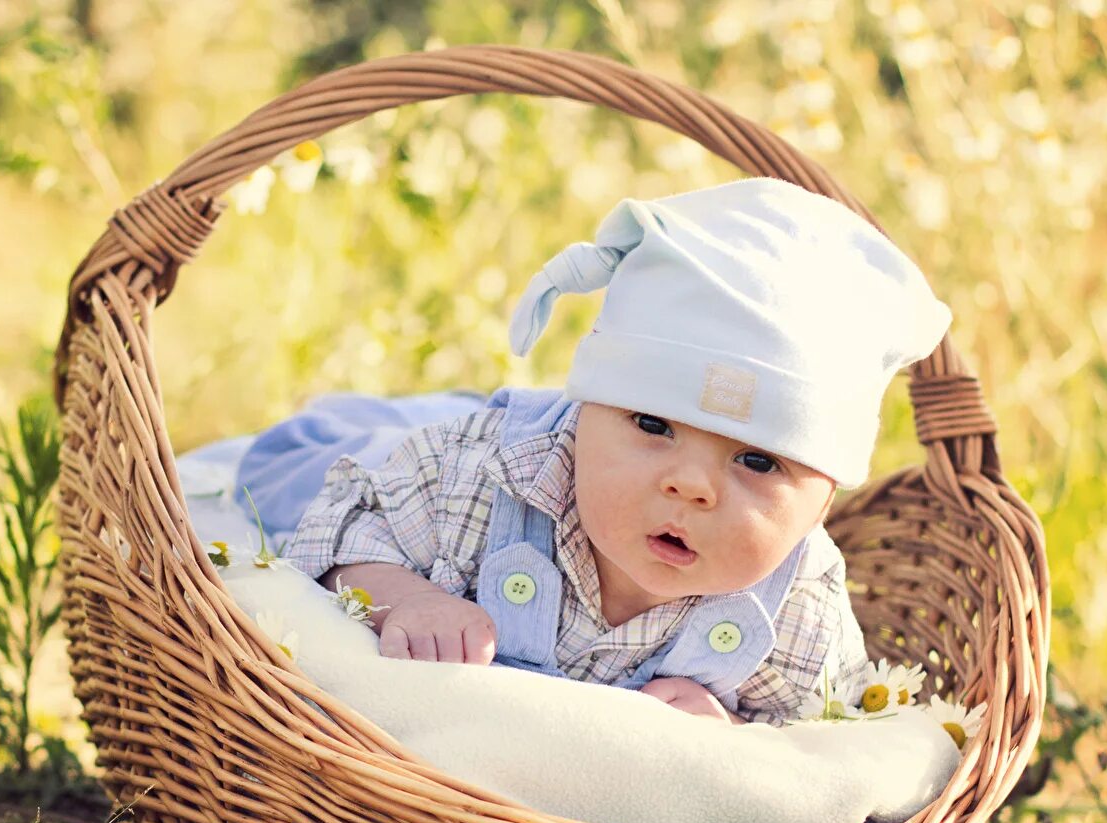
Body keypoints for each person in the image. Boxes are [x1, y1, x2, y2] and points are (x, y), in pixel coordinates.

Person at [232, 177, 952, 724]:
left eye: (759, 460)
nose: (692, 485)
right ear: (587, 411)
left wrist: (730, 733)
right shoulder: (487, 476)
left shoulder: (801, 612)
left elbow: (823, 749)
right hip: (428, 451)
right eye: (651, 423)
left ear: (826, 498)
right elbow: (343, 526)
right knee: (304, 463)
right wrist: (405, 597)